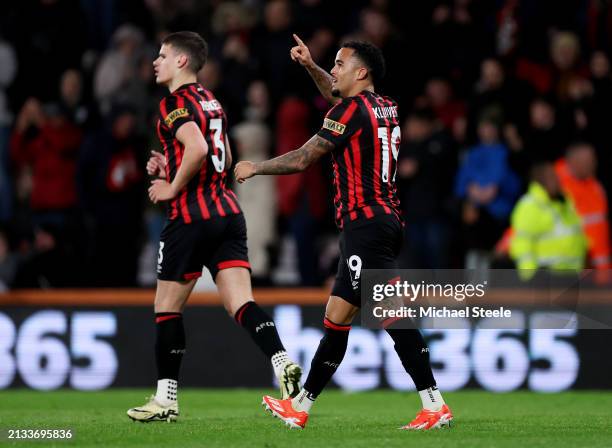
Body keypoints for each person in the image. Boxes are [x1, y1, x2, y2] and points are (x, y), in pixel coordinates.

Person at [235, 35, 452, 430]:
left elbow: (304, 158)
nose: (332, 69)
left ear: (361, 71)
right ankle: (299, 406)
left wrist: (256, 167)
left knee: (392, 314)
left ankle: (434, 405)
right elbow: (339, 100)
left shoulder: (351, 111)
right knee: (337, 316)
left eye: (338, 63)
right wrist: (310, 66)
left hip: (365, 225)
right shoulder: (384, 107)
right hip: (380, 221)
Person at [127, 31, 301, 423]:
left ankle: (166, 400)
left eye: (162, 55)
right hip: (226, 213)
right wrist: (168, 164)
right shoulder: (211, 100)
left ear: (181, 62)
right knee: (242, 302)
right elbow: (209, 157)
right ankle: (281, 359)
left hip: (189, 219)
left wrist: (170, 185)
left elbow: (199, 150)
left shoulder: (173, 103)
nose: (156, 61)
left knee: (166, 308)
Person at [509, 162, 587, 280]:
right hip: (546, 277)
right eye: (551, 177)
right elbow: (522, 244)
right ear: (539, 180)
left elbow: (575, 233)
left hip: (571, 276)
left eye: (556, 176)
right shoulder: (530, 205)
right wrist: (530, 276)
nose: (557, 180)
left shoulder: (564, 200)